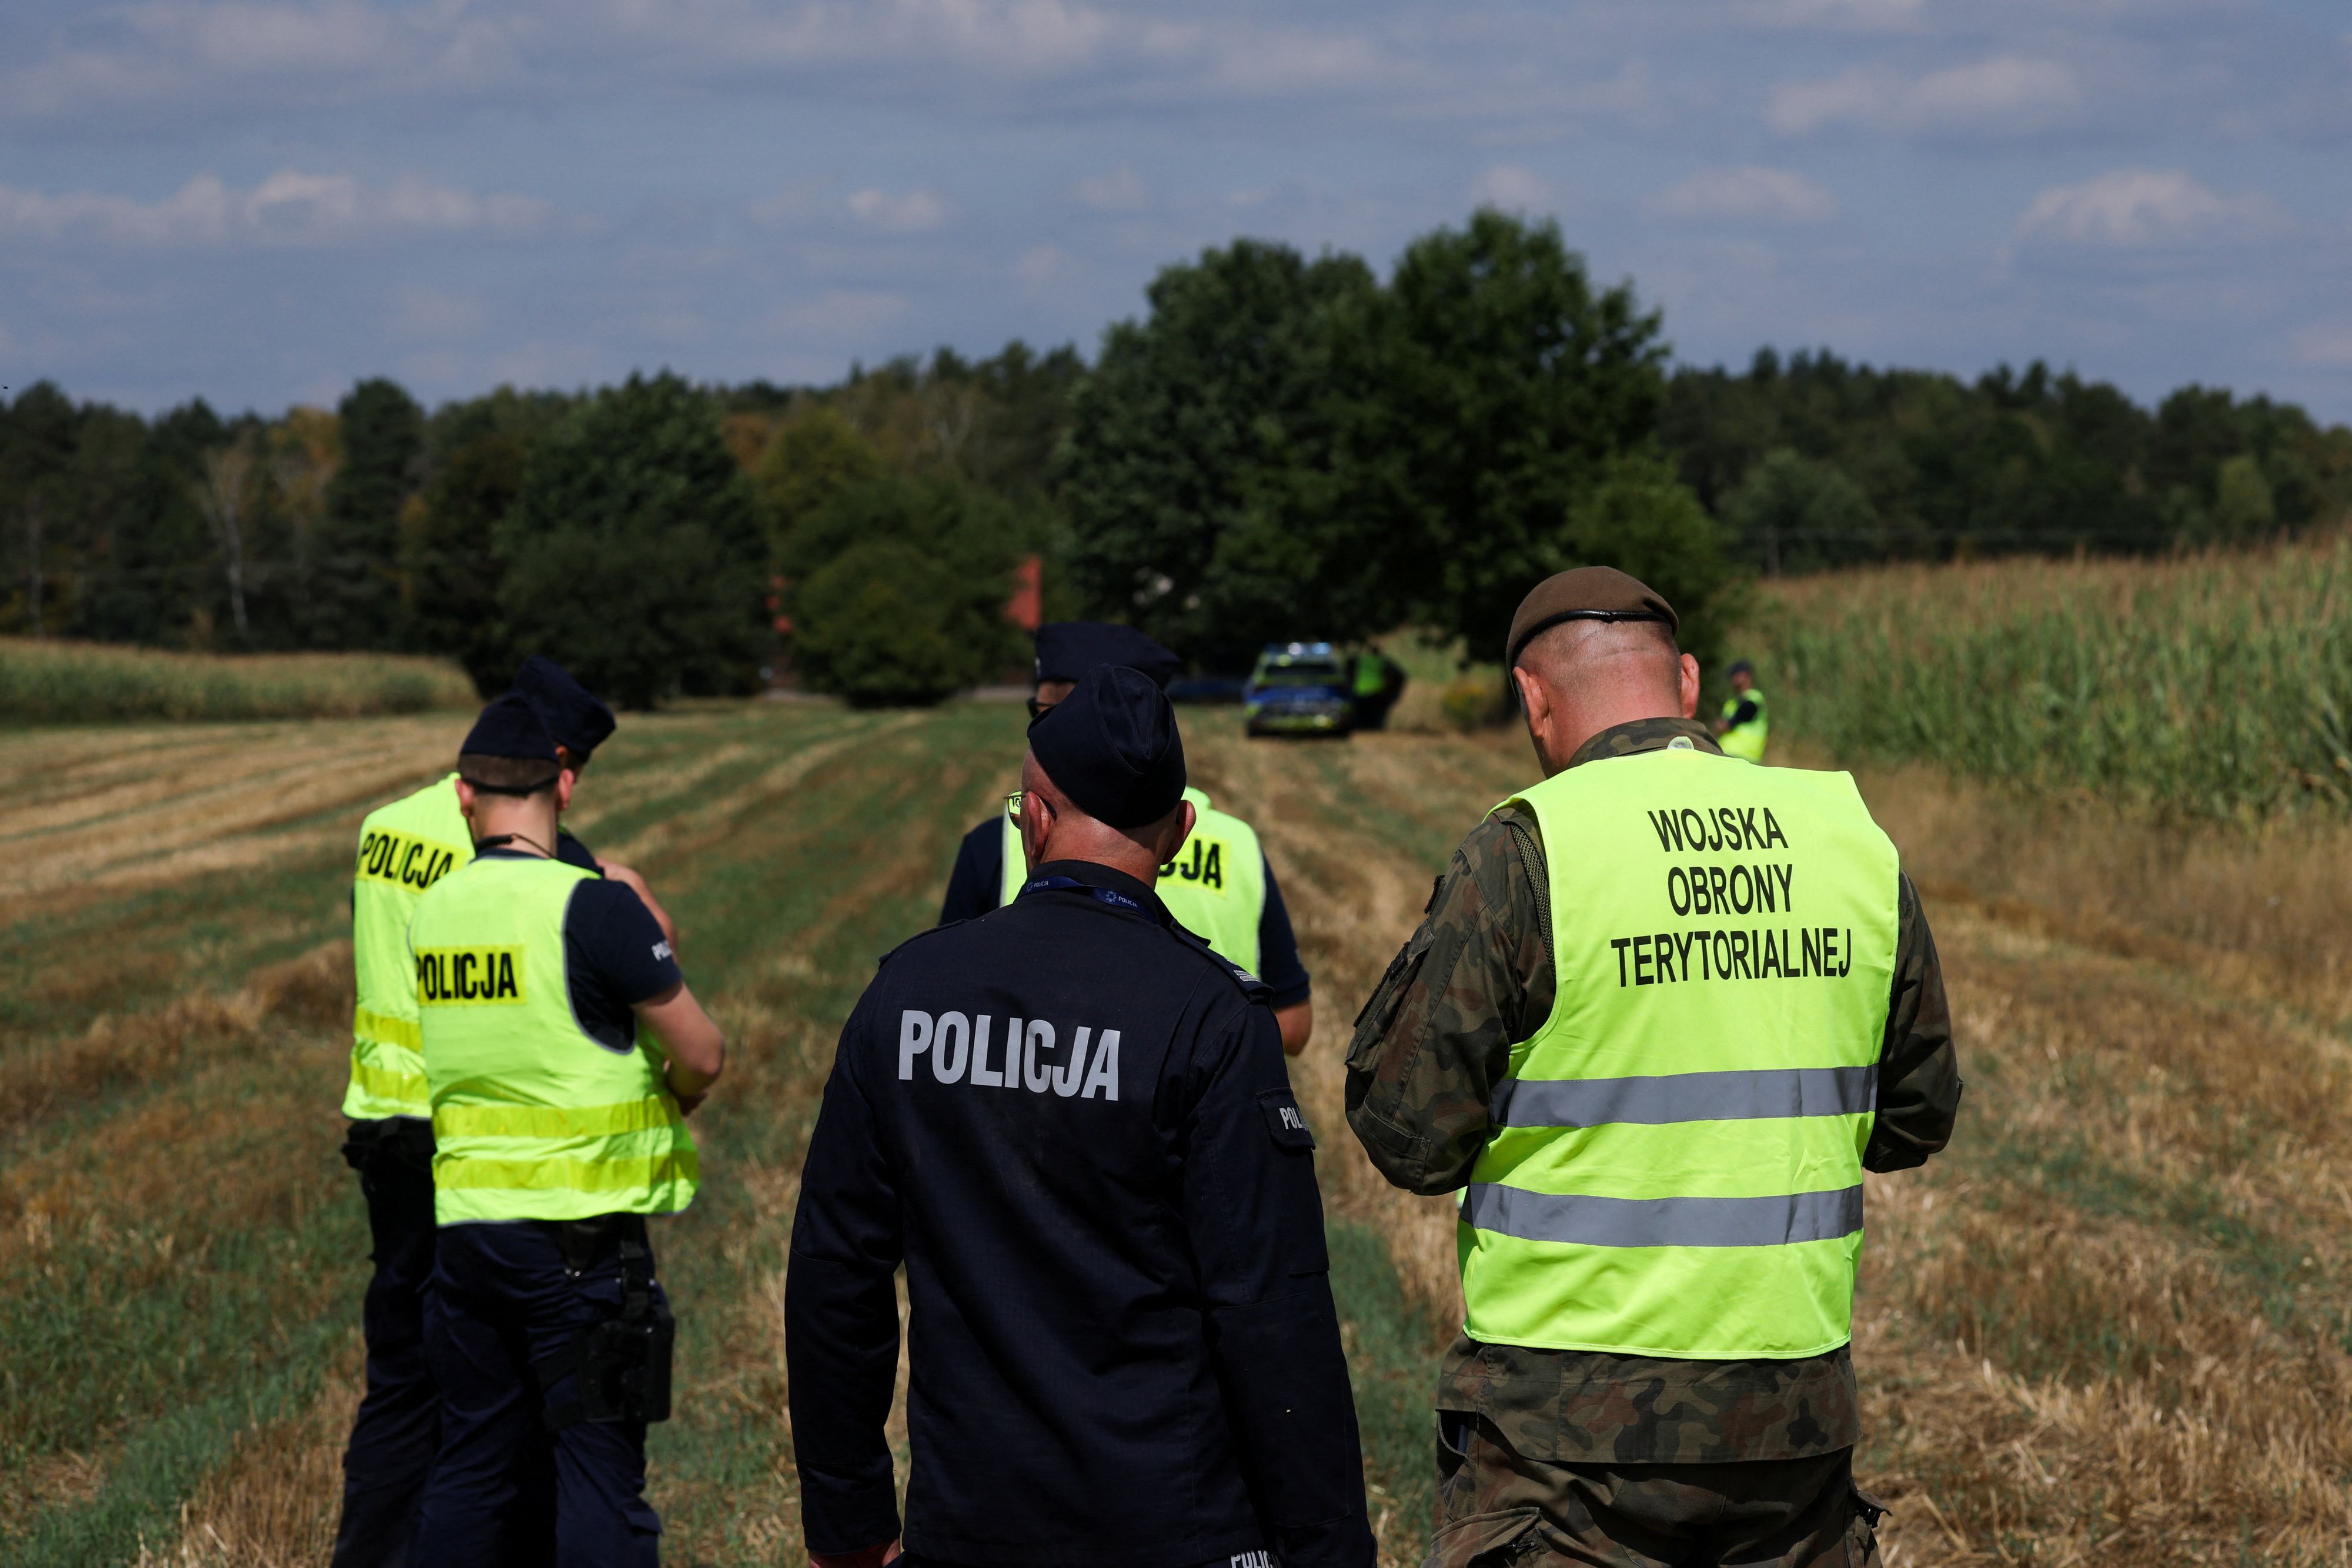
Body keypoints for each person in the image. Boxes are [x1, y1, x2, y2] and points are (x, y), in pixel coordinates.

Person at [1345, 568, 1960, 1568]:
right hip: (1791, 1424)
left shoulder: (1528, 852)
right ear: (1686, 682)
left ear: (1533, 698)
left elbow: (1409, 1134)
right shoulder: (1851, 838)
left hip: (1566, 1445)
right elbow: (1915, 1118)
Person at [789, 664, 1375, 1568]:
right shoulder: (1211, 1015)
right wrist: (1329, 1545)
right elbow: (1271, 1311)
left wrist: (848, 1520)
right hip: (1172, 1526)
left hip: (971, 1519)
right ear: (1180, 831)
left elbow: (837, 1275)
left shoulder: (907, 989)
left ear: (1032, 813)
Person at [332, 656, 670, 1568]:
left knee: (403, 1380)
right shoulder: (527, 856)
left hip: (384, 1121)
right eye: (572, 774)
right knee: (518, 1394)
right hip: (473, 1138)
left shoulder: (386, 825)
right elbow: (633, 925)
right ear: (550, 764)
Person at [407, 693, 724, 1568]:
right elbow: (702, 1051)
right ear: (567, 785)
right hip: (579, 1248)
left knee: (471, 1468)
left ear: (467, 797)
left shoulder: (433, 911)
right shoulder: (590, 905)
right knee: (597, 1476)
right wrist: (675, 1098)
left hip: (469, 1238)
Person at [937, 621, 1317, 1055]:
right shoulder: (1239, 842)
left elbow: (947, 1002)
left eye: (1040, 706)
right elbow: (1293, 1023)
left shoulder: (1000, 840)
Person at [1714, 657, 1769, 763]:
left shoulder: (1753, 699)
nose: (1733, 678)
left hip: (1743, 755)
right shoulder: (1732, 702)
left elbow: (1742, 715)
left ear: (1747, 676)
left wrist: (1728, 724)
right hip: (1727, 754)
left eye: (1736, 674)